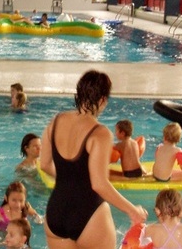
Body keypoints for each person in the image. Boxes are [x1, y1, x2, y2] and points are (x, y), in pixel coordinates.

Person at [40, 70, 148, 249]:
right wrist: (133, 211)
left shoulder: (55, 121)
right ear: (103, 100)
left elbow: (44, 165)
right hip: (88, 214)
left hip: (56, 213)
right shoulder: (100, 133)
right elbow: (99, 184)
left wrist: (70, 179)